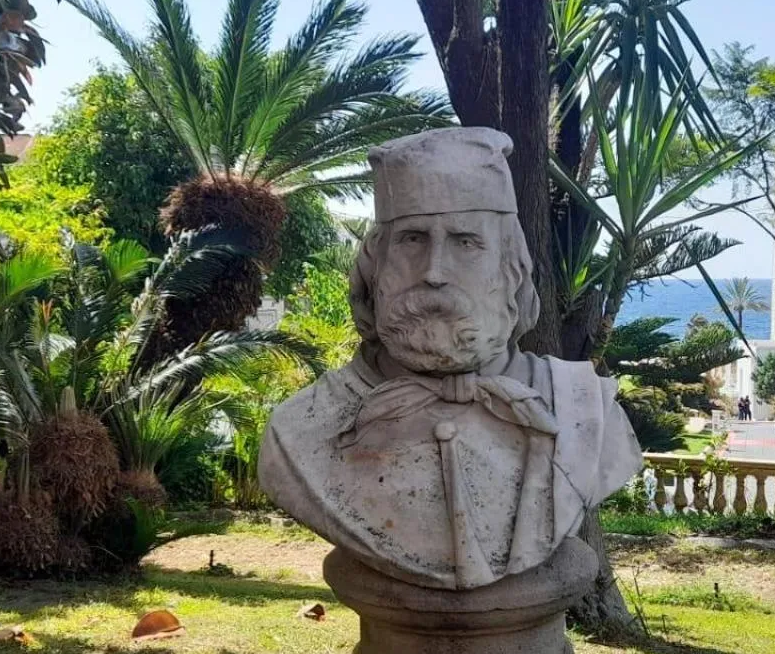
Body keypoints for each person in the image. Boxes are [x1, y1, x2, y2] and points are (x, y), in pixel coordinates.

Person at [258, 127, 643, 590]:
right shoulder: (302, 431)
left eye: (465, 242)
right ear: (374, 264)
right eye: (412, 241)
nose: (435, 272)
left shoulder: (586, 410)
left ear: (511, 265)